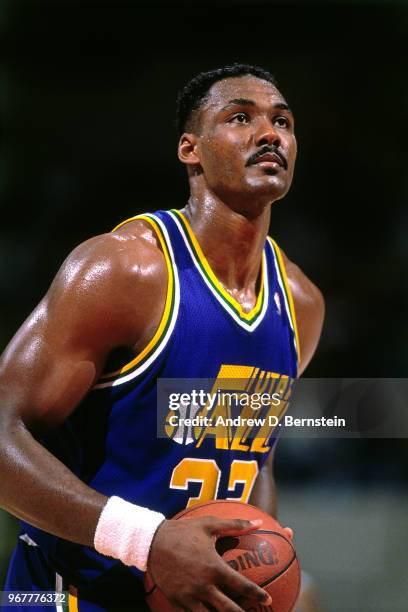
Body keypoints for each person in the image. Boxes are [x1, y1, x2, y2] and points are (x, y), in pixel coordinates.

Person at [0, 63, 324, 611]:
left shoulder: (301, 304)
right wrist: (146, 541)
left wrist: (255, 553)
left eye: (283, 121)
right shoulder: (124, 270)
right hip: (69, 593)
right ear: (189, 150)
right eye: (240, 117)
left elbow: (254, 459)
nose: (271, 133)